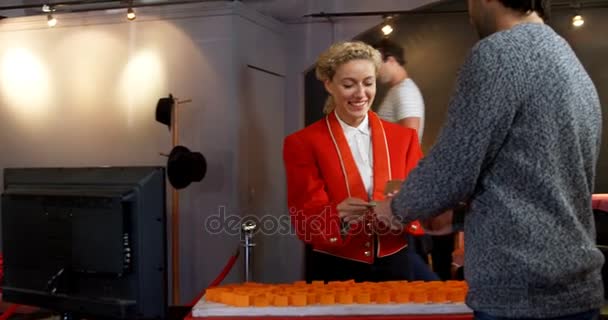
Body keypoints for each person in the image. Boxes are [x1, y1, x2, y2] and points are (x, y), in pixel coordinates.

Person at [374, 0, 604, 319]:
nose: (470, 11)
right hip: (574, 288)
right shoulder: (567, 60)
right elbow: (533, 177)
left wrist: (395, 208)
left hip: (519, 290)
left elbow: (453, 167)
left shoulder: (499, 53)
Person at [282, 41, 438, 282]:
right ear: (329, 85)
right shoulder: (303, 143)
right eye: (348, 84)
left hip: (396, 264)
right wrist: (336, 217)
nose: (361, 94)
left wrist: (404, 209)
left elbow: (421, 198)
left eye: (368, 83)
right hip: (334, 268)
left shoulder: (404, 139)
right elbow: (304, 215)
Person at [374, 39, 425, 142]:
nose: (375, 71)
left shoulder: (405, 92)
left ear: (391, 61)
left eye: (377, 65)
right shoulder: (397, 90)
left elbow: (410, 140)